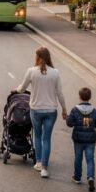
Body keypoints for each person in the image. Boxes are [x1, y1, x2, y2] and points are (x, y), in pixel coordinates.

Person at [15, 47, 68, 178]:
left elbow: (22, 89)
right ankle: (45, 168)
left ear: (37, 57)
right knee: (47, 138)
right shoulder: (55, 73)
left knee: (37, 136)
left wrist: (16, 89)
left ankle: (38, 162)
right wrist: (64, 109)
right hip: (51, 111)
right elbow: (60, 93)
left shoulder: (31, 71)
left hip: (36, 110)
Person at [66, 87, 96, 192]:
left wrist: (67, 117)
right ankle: (91, 177)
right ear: (90, 97)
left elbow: (70, 123)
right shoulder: (95, 111)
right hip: (90, 139)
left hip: (78, 139)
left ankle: (77, 177)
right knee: (90, 159)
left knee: (78, 158)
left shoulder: (75, 110)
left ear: (79, 97)